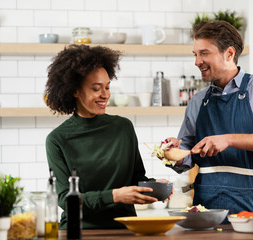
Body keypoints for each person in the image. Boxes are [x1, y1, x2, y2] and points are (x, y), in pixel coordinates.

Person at [165, 21, 253, 219]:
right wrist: (172, 152)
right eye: (195, 54)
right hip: (208, 210)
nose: (197, 61)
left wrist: (228, 139)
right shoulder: (197, 101)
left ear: (229, 54)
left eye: (204, 53)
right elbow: (188, 156)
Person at [45, 44, 169, 229]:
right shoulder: (57, 139)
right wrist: (115, 196)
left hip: (124, 228)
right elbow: (65, 200)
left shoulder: (123, 128)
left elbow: (135, 179)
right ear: (75, 91)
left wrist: (155, 186)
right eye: (96, 89)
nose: (105, 95)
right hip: (78, 230)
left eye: (107, 87)